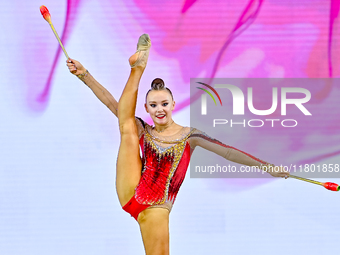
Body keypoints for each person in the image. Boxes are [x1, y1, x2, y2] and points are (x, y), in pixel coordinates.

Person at [66, 34, 289, 255]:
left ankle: (138, 68)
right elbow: (110, 102)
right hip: (142, 196)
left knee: (127, 123)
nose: (159, 109)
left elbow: (229, 153)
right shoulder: (145, 130)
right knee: (127, 125)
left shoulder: (190, 135)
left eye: (164, 103)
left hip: (149, 206)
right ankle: (138, 69)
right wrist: (84, 75)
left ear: (173, 104)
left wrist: (267, 167)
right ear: (147, 108)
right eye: (153, 105)